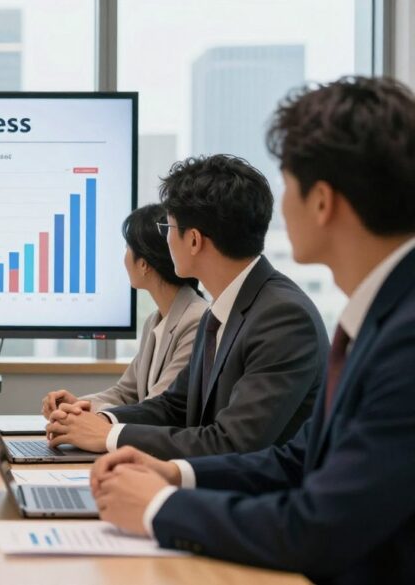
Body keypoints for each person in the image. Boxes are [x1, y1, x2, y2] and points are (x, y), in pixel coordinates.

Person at [90, 76, 415, 585]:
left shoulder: (403, 337)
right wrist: (174, 473)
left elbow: (320, 527)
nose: (278, 209)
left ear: (323, 201)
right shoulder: (380, 316)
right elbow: (297, 458)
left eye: (287, 185)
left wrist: (160, 509)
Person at [43, 154, 327, 458]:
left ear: (193, 240)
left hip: (256, 498)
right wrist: (102, 419)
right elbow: (174, 405)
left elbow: (233, 443)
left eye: (169, 226)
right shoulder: (221, 312)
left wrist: (110, 436)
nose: (166, 238)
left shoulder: (282, 317)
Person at [41, 203, 207, 413]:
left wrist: (85, 409)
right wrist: (76, 403)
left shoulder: (196, 320)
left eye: (128, 248)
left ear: (144, 264)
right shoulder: (155, 321)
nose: (124, 257)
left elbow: (157, 407)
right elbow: (125, 393)